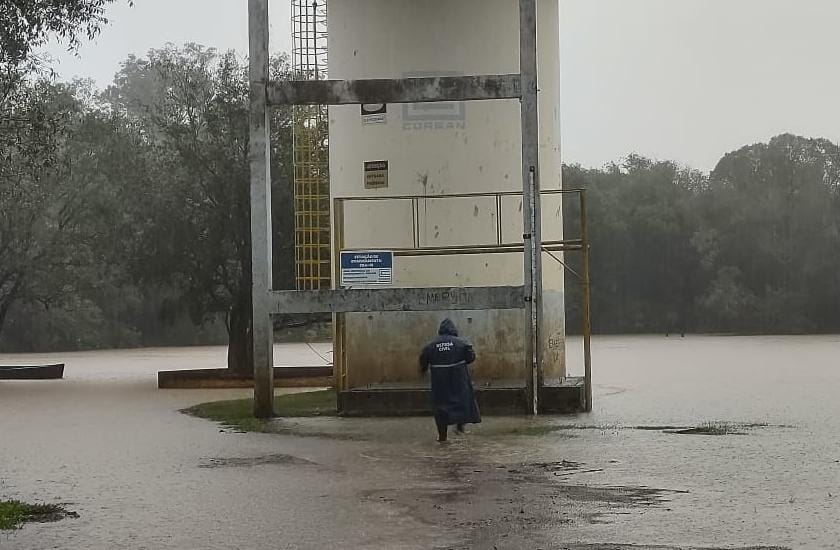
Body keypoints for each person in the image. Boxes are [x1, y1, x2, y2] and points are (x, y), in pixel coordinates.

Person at [419, 318, 481, 442]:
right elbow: (471, 357)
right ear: (454, 330)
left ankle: (442, 437)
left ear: (440, 331)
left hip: (440, 383)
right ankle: (460, 427)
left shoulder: (430, 345)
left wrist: (424, 370)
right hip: (458, 381)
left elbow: (423, 361)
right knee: (463, 402)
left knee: (440, 406)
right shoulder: (462, 343)